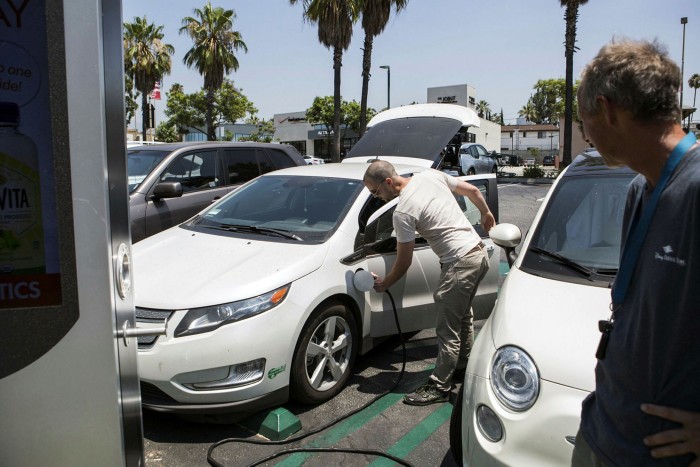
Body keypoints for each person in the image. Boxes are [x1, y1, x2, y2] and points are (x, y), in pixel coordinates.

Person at [572, 39, 700, 466]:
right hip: (604, 428)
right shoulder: (638, 190)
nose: (585, 134)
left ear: (607, 110)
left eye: (583, 120)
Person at [363, 160, 495, 405]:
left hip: (459, 262)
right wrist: (486, 213)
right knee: (463, 316)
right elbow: (474, 191)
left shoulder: (403, 212)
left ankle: (439, 385)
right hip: (478, 253)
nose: (377, 197)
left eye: (375, 192)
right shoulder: (430, 175)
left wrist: (385, 283)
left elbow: (404, 262)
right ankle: (463, 366)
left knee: (447, 329)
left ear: (388, 182)